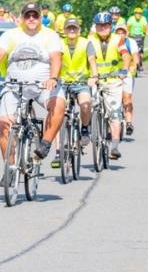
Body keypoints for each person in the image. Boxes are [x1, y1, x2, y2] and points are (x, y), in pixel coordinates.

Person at [0, 1, 64, 185]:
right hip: (14, 86)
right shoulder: (11, 35)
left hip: (42, 86)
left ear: (40, 18)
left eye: (35, 15)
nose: (31, 19)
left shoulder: (50, 35)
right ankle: (10, 168)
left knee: (59, 104)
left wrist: (53, 78)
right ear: (21, 17)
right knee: (5, 124)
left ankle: (45, 144)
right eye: (27, 15)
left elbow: (55, 58)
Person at [87, 12, 130, 161]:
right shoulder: (90, 40)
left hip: (113, 81)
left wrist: (124, 69)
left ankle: (114, 147)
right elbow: (88, 58)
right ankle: (86, 131)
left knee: (114, 114)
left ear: (110, 26)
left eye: (105, 25)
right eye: (99, 25)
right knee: (87, 105)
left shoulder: (118, 39)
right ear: (95, 26)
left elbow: (125, 55)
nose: (102, 28)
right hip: (95, 80)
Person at [53, 17, 93, 166]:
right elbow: (53, 61)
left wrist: (93, 76)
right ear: (64, 30)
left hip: (81, 82)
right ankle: (58, 153)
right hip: (63, 83)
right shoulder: (59, 44)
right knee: (58, 115)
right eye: (69, 28)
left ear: (79, 30)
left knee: (85, 105)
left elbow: (92, 61)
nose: (71, 30)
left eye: (74, 28)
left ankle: (84, 129)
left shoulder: (85, 43)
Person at [114, 21, 136, 138]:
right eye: (118, 32)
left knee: (127, 98)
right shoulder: (111, 42)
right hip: (112, 74)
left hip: (126, 73)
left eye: (123, 32)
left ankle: (128, 122)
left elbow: (134, 56)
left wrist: (133, 66)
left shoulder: (130, 42)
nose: (120, 35)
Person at [127, 8, 148, 76]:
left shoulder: (143, 19)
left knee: (140, 51)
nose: (138, 14)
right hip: (132, 36)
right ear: (134, 13)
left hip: (140, 36)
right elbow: (128, 27)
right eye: (137, 13)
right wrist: (127, 33)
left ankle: (140, 62)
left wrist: (147, 32)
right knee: (131, 50)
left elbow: (146, 27)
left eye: (139, 13)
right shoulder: (131, 19)